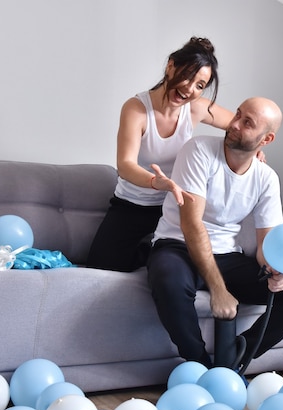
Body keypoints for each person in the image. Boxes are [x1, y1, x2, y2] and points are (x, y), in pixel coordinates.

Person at [147, 97, 283, 370]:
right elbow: (191, 225)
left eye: (247, 122)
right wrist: (219, 289)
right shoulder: (198, 150)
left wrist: (276, 271)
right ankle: (200, 366)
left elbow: (267, 241)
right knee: (168, 279)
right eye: (238, 115)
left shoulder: (266, 178)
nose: (234, 124)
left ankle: (237, 356)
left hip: (227, 256)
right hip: (178, 246)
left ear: (266, 139)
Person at [87, 37, 234, 272]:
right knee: (99, 268)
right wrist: (156, 182)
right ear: (171, 66)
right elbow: (125, 165)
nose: (189, 88)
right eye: (187, 75)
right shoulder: (136, 108)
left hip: (172, 209)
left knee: (174, 270)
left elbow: (241, 127)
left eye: (200, 85)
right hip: (132, 205)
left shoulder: (196, 108)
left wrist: (254, 151)